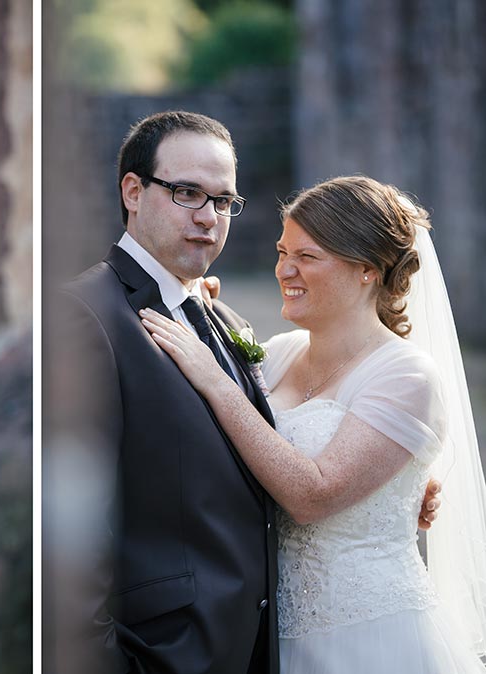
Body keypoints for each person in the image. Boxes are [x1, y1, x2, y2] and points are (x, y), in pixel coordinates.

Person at [43, 111, 440, 674]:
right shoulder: (82, 314)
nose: (208, 217)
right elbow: (61, 524)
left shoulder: (224, 321)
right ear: (133, 191)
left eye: (223, 200)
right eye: (186, 193)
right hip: (159, 654)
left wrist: (399, 483)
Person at [141, 175, 486, 672]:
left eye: (307, 257)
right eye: (283, 252)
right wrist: (198, 304)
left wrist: (215, 381)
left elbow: (313, 495)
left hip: (371, 639)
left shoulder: (408, 375)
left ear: (366, 269)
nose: (284, 270)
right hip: (273, 638)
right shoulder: (276, 356)